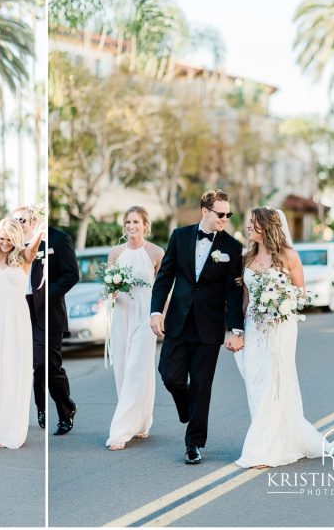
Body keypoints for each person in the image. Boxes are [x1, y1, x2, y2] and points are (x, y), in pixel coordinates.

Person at [149, 189, 244, 464]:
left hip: (210, 326)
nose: (225, 218)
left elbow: (233, 293)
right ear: (205, 211)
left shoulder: (232, 248)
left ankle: (194, 444)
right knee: (169, 375)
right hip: (178, 320)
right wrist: (156, 312)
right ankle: (187, 406)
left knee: (202, 385)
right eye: (220, 213)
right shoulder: (180, 236)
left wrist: (236, 329)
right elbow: (165, 277)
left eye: (229, 214)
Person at [233, 207, 322, 468]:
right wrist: (237, 331)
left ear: (267, 226)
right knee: (255, 380)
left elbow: (301, 294)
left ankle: (264, 447)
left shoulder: (288, 256)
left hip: (281, 327)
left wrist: (279, 304)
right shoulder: (247, 259)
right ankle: (280, 436)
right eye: (248, 222)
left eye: (253, 222)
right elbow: (245, 300)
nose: (248, 226)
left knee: (275, 381)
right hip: (254, 327)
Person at [0, 218, 42, 448]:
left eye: (8, 239)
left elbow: (34, 247)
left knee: (11, 373)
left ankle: (8, 427)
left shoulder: (24, 257)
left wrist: (40, 228)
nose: (4, 243)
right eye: (1, 238)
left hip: (16, 318)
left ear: (16, 240)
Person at [106, 207, 164, 450]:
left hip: (144, 316)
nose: (132, 226)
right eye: (128, 222)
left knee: (137, 369)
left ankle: (120, 431)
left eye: (136, 222)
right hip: (122, 313)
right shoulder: (115, 253)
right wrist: (112, 290)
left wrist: (161, 315)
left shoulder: (155, 252)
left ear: (145, 225)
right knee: (122, 368)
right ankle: (139, 421)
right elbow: (108, 288)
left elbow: (163, 288)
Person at [13, 205, 47, 429]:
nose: (18, 223)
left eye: (22, 220)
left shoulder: (44, 246)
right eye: (15, 220)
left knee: (38, 362)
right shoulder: (8, 245)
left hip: (37, 307)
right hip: (14, 307)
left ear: (33, 222)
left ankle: (42, 408)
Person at [47, 226, 79, 436]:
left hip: (51, 314)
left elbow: (71, 275)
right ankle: (41, 411)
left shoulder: (59, 238)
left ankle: (65, 411)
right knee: (33, 369)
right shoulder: (16, 238)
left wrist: (46, 295)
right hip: (20, 313)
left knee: (50, 367)